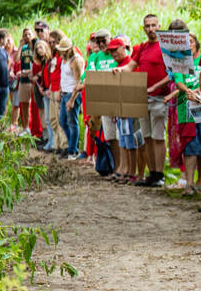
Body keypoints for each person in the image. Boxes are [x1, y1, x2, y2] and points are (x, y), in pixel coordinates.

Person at [113, 14, 168, 187]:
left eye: (154, 25)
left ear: (159, 26)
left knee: (158, 137)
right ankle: (152, 173)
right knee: (147, 136)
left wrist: (156, 88)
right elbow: (130, 66)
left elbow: (174, 72)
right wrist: (119, 71)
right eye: (148, 26)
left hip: (160, 97)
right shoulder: (142, 48)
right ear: (144, 28)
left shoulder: (166, 47)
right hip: (144, 98)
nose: (151, 29)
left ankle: (160, 174)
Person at [170, 29, 201, 195]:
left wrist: (200, 90)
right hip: (186, 107)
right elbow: (179, 82)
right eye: (185, 43)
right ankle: (190, 183)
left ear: (196, 43)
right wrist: (188, 91)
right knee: (189, 145)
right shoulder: (180, 62)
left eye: (191, 41)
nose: (188, 45)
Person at [83, 29, 120, 171]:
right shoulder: (97, 56)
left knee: (119, 137)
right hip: (102, 99)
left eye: (104, 40)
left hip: (116, 99)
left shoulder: (115, 55)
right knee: (108, 136)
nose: (101, 44)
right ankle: (115, 167)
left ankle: (123, 168)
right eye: (98, 41)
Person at [107, 36, 142, 183]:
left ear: (123, 48)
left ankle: (131, 171)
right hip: (120, 110)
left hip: (131, 108)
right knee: (123, 140)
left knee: (132, 141)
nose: (113, 53)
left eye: (115, 50)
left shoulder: (130, 64)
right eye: (111, 51)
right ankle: (124, 168)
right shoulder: (117, 66)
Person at [57, 37, 85, 158]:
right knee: (62, 121)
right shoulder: (64, 60)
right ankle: (71, 145)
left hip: (72, 93)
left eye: (64, 50)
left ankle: (73, 150)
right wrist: (60, 90)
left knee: (72, 122)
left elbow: (78, 81)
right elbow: (63, 76)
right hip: (64, 93)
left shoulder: (76, 61)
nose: (62, 52)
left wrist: (72, 99)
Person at [47, 30, 69, 151]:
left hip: (60, 90)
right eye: (50, 42)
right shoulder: (54, 56)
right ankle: (56, 144)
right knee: (53, 119)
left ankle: (64, 145)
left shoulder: (63, 57)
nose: (51, 45)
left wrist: (60, 89)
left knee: (61, 119)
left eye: (53, 42)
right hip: (53, 89)